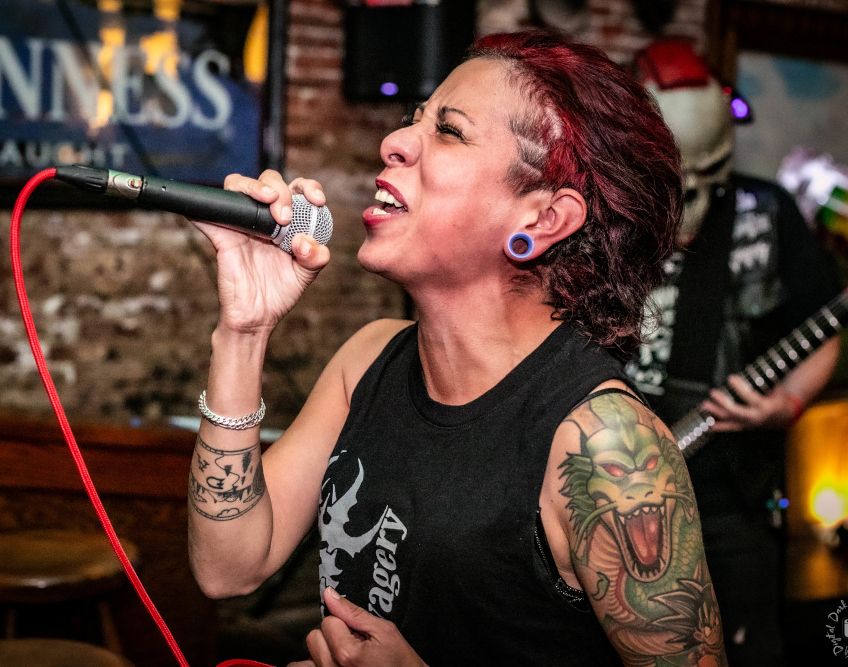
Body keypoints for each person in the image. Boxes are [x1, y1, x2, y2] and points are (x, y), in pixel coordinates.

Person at [187, 30, 727, 666]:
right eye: (414, 119)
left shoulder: (607, 443)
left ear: (544, 219)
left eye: (449, 130)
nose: (394, 142)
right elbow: (228, 567)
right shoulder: (368, 360)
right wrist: (245, 331)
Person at [628, 40, 842, 666]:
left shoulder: (766, 213)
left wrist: (787, 404)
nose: (688, 203)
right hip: (612, 490)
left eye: (706, 176)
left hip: (729, 499)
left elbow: (823, 327)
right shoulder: (595, 213)